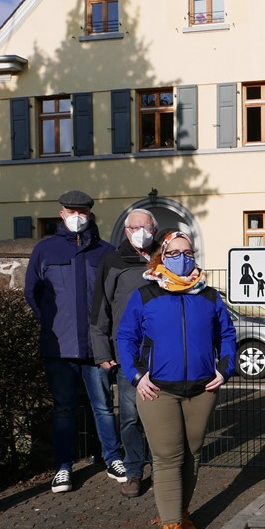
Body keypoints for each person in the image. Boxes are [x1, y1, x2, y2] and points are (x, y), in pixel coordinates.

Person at [117, 231, 237, 529]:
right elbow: (125, 337)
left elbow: (227, 334)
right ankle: (170, 527)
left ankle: (182, 514)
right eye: (174, 252)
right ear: (162, 256)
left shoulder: (210, 297)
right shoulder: (145, 295)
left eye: (187, 252)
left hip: (201, 390)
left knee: (193, 454)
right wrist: (136, 376)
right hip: (158, 391)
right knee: (168, 457)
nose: (181, 257)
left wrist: (224, 369)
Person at [25, 190, 122, 493]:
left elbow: (113, 296)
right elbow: (33, 293)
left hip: (97, 347)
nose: (77, 216)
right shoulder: (45, 250)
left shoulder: (106, 251)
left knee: (103, 406)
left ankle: (113, 457)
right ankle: (63, 467)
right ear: (62, 214)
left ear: (90, 215)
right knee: (63, 409)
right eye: (71, 210)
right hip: (60, 347)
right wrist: (54, 324)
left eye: (83, 211)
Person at [90, 209, 159, 498]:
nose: (139, 232)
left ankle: (164, 468)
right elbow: (100, 308)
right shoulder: (113, 261)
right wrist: (102, 350)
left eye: (144, 227)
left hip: (163, 353)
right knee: (130, 416)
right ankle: (134, 471)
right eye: (133, 227)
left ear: (154, 230)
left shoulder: (166, 257)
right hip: (129, 354)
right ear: (126, 231)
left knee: (160, 417)